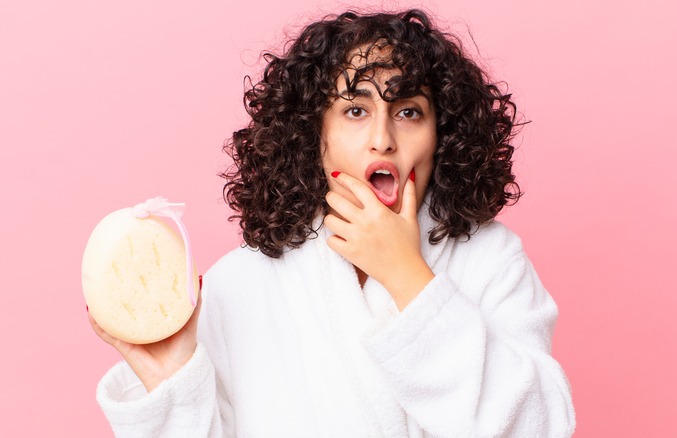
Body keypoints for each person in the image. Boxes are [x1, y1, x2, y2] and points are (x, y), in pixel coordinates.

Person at [88, 9, 575, 437]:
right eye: (355, 110)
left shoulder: (491, 259)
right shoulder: (241, 284)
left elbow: (541, 426)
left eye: (408, 111)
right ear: (312, 134)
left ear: (442, 134)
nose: (382, 139)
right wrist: (173, 384)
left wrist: (409, 279)